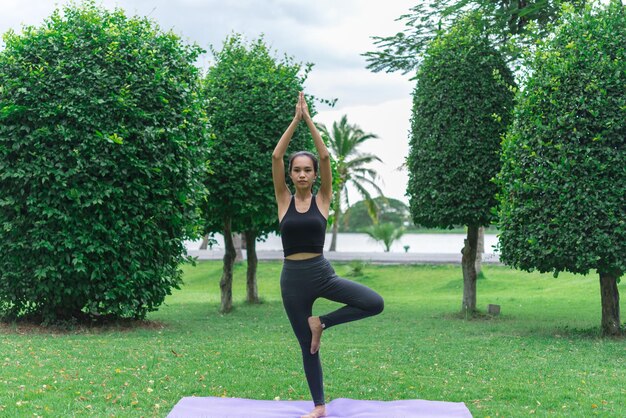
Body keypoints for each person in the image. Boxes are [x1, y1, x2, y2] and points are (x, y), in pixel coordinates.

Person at [272, 92, 384, 418]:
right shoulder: (283, 200)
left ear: (314, 175)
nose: (303, 174)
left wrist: (309, 119)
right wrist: (295, 120)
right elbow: (277, 157)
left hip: (321, 273)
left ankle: (322, 322)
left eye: (307, 170)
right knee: (307, 345)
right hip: (292, 281)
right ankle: (319, 406)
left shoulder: (323, 198)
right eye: (297, 170)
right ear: (291, 175)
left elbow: (325, 157)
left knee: (374, 302)